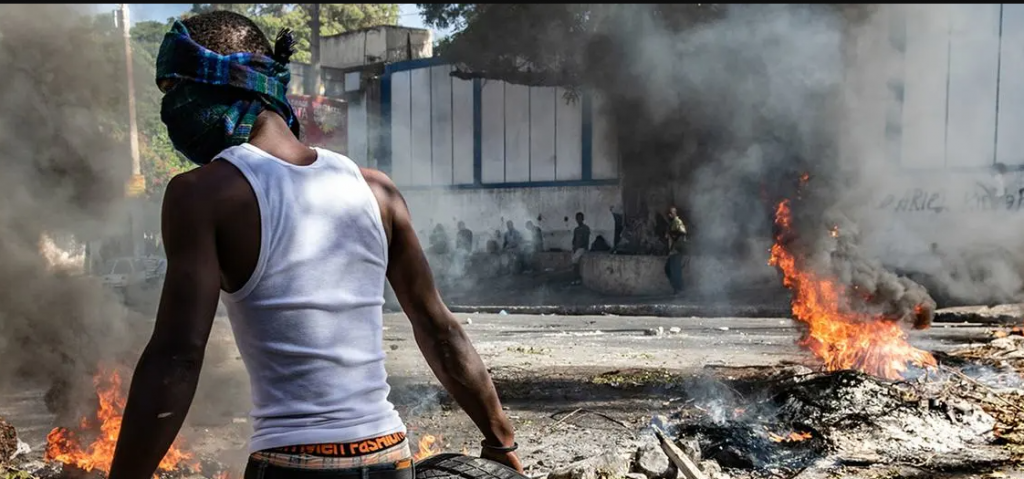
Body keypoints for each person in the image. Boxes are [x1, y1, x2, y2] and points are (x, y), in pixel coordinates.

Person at [106, 12, 521, 479]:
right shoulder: (377, 191)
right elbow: (439, 329)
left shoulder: (200, 194)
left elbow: (177, 356)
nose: (171, 113)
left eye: (174, 92)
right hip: (390, 457)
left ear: (214, 86)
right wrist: (501, 440)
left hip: (291, 464)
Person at [664, 207, 688, 295]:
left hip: (677, 250)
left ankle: (680, 289)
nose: (669, 216)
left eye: (670, 214)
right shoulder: (672, 223)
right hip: (673, 251)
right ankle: (677, 288)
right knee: (668, 269)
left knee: (675, 270)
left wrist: (672, 235)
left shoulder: (677, 222)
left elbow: (683, 232)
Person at [571, 212, 590, 285]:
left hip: (582, 248)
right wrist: (574, 247)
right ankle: (575, 278)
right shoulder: (576, 229)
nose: (578, 220)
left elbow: (586, 241)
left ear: (583, 219)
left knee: (575, 261)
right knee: (574, 261)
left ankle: (577, 278)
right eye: (577, 218)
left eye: (580, 218)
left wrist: (581, 248)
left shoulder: (586, 228)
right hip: (576, 248)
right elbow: (574, 240)